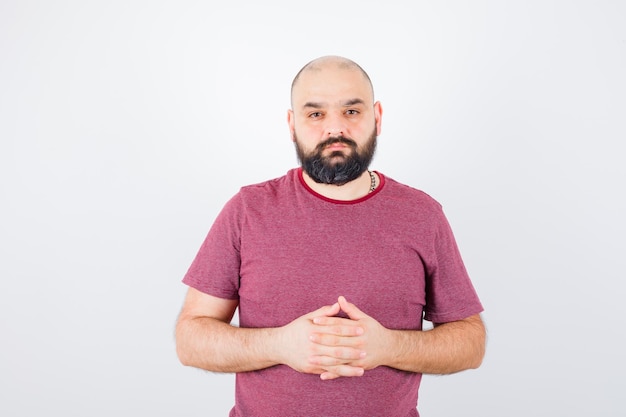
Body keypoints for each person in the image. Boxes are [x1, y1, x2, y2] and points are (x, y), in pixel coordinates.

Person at [175, 55, 486, 417]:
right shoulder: (247, 210)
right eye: (315, 114)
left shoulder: (422, 215)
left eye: (351, 111)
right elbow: (191, 339)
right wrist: (280, 345)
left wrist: (387, 347)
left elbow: (470, 343)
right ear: (292, 124)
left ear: (378, 117)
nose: (334, 129)